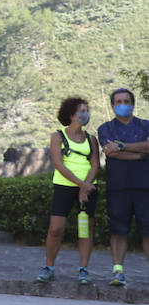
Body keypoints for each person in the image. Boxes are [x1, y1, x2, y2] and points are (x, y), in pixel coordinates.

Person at [36, 97, 100, 286]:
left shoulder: (91, 139)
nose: (85, 114)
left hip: (88, 188)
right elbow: (58, 164)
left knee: (85, 230)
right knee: (55, 229)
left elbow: (95, 165)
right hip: (65, 186)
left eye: (86, 110)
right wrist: (81, 185)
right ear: (71, 114)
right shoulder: (58, 136)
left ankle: (83, 269)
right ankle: (49, 267)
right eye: (82, 110)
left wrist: (86, 186)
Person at [96, 88, 149, 287]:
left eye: (126, 100)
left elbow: (120, 149)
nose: (122, 104)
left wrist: (122, 146)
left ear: (133, 104)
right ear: (112, 105)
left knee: (148, 232)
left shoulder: (146, 125)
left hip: (145, 187)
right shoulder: (106, 128)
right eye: (118, 101)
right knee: (119, 231)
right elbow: (111, 152)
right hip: (118, 187)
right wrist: (141, 153)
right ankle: (118, 271)